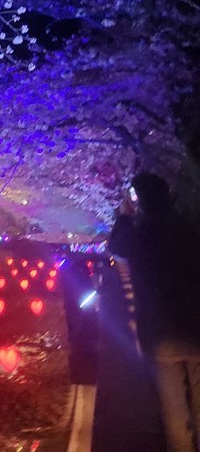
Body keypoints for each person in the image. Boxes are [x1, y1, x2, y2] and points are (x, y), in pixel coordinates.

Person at [108, 172, 200, 452]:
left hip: (160, 334)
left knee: (174, 413)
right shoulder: (188, 228)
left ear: (142, 202)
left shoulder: (140, 234)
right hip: (195, 327)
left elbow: (115, 247)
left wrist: (124, 217)